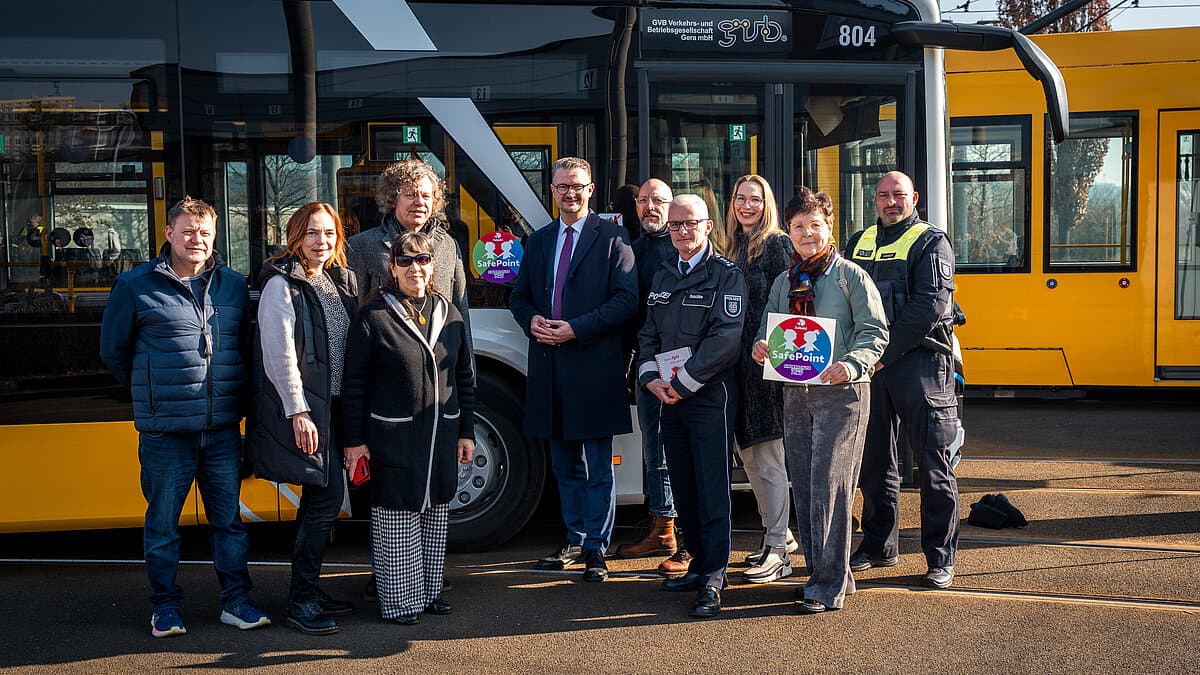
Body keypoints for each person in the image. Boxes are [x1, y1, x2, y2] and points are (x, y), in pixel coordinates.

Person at [99, 196, 270, 638]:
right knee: (162, 526)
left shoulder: (232, 285)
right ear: (169, 234)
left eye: (205, 232)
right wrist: (154, 392)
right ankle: (166, 608)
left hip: (222, 430)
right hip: (165, 433)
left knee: (228, 524)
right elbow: (113, 352)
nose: (197, 239)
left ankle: (236, 602)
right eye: (189, 231)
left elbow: (245, 348)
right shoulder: (134, 285)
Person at [751, 188, 889, 613]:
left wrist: (850, 364)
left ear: (830, 228)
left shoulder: (851, 276)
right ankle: (825, 575)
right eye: (798, 227)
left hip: (843, 394)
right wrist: (761, 347)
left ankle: (826, 587)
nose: (807, 233)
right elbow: (768, 330)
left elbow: (876, 332)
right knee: (808, 487)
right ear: (788, 231)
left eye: (815, 225)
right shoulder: (785, 281)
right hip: (796, 394)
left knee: (831, 487)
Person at [508, 156, 637, 583]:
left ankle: (596, 548)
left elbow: (626, 300)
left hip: (594, 367)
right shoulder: (539, 240)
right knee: (564, 464)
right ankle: (575, 537)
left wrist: (576, 329)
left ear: (590, 189)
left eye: (577, 186)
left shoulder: (613, 237)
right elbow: (518, 296)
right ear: (552, 191)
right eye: (562, 186)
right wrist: (531, 320)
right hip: (549, 367)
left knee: (598, 466)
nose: (569, 193)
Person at [341, 230, 476, 625]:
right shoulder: (374, 316)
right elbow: (354, 384)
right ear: (392, 268)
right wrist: (354, 441)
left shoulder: (448, 313)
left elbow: (463, 377)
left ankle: (430, 592)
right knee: (396, 521)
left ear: (432, 266)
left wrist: (466, 431)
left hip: (441, 436)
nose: (415, 267)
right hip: (393, 438)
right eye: (406, 260)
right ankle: (400, 602)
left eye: (423, 260)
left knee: (435, 515)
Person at [844, 171, 962, 589]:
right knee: (874, 462)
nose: (890, 202)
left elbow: (929, 305)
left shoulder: (931, 241)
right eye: (883, 195)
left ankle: (940, 557)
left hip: (921, 364)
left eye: (898, 195)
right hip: (873, 367)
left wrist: (880, 354)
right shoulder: (857, 241)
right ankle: (879, 545)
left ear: (914, 197)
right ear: (874, 199)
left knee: (933, 464)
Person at [245, 202, 358, 635]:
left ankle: (309, 589)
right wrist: (298, 411)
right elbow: (278, 355)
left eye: (329, 233)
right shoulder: (281, 284)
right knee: (325, 501)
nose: (321, 241)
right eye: (312, 233)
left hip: (334, 408)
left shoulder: (334, 279)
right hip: (309, 411)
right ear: (296, 236)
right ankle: (301, 600)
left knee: (319, 501)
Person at [637, 194, 746, 619]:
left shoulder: (725, 275)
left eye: (690, 224)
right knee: (682, 485)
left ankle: (714, 576)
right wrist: (651, 378)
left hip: (709, 396)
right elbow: (648, 333)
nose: (682, 231)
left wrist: (682, 383)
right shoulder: (664, 274)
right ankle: (697, 564)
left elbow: (725, 340)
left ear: (707, 226)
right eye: (676, 225)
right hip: (668, 397)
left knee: (712, 488)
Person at [722, 174, 798, 583]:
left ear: (766, 204)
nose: (746, 206)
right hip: (738, 369)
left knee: (768, 458)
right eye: (740, 198)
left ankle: (778, 549)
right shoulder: (733, 247)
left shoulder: (777, 245)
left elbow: (788, 304)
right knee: (750, 457)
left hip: (765, 370)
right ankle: (779, 535)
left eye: (755, 199)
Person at [613, 178, 688, 578]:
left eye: (657, 200)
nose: (649, 207)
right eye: (643, 200)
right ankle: (663, 525)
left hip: (681, 366)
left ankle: (677, 532)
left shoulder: (678, 250)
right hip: (647, 364)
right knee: (654, 450)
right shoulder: (634, 248)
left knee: (675, 450)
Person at [347, 158, 471, 346]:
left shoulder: (449, 245)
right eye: (411, 194)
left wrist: (468, 360)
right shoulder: (362, 246)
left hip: (440, 355)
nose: (419, 202)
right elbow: (354, 312)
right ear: (392, 199)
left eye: (426, 196)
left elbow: (461, 309)